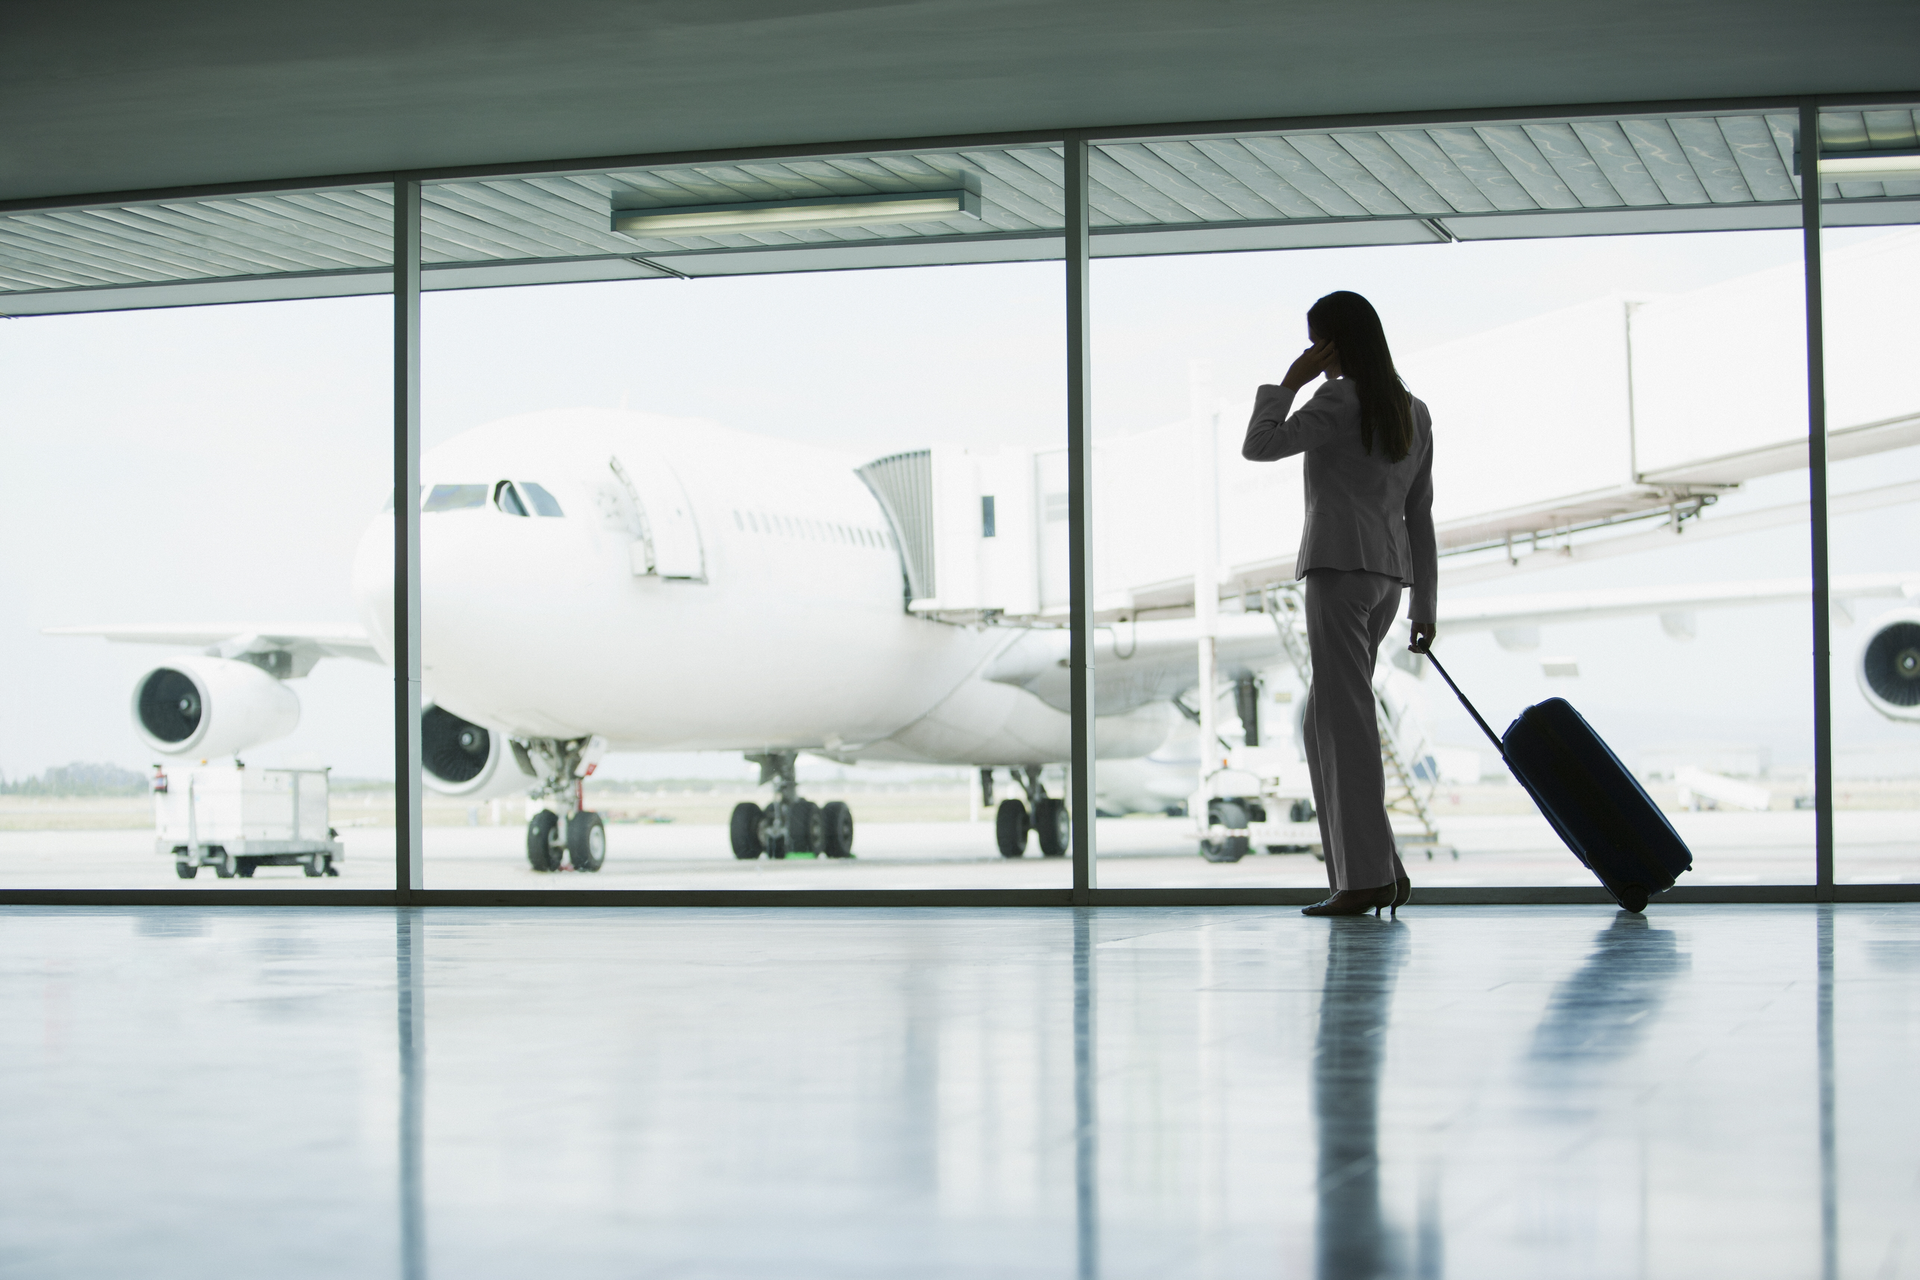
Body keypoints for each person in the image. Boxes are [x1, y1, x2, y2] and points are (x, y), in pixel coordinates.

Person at [1243, 290, 1437, 918]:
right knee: (1325, 720)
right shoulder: (1413, 411)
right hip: (1387, 580)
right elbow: (1419, 515)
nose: (1312, 354)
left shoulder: (1337, 398)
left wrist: (1289, 382)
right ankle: (1378, 870)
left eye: (1315, 343)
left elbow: (1260, 444)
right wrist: (1425, 606)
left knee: (1342, 725)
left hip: (1338, 569)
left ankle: (1364, 882)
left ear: (1333, 343)